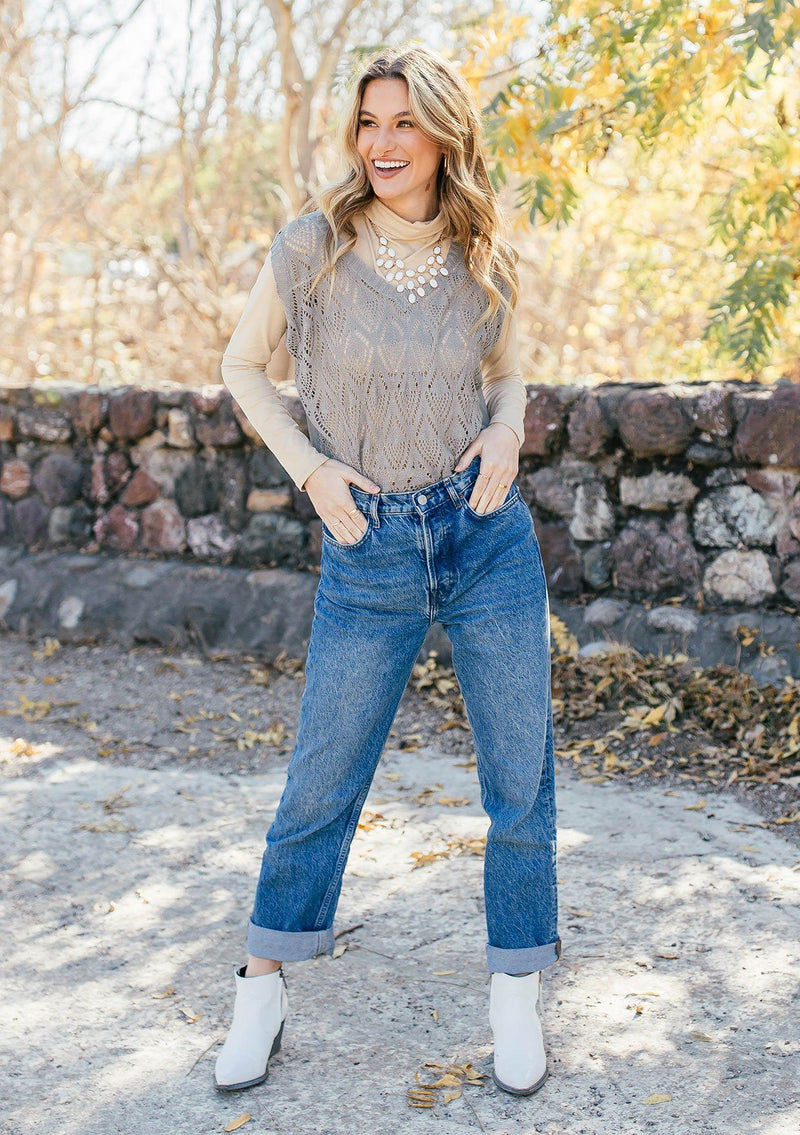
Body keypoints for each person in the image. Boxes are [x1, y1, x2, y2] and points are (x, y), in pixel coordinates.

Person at [215, 42, 561, 1097]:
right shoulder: (311, 249)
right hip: (366, 541)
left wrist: (505, 436)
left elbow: (506, 380)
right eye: (368, 122)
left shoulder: (483, 253)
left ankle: (515, 991)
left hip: (485, 533)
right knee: (320, 781)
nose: (381, 143)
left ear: (442, 133)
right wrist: (312, 469)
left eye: (402, 121)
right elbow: (241, 366)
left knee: (518, 782)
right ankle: (259, 988)